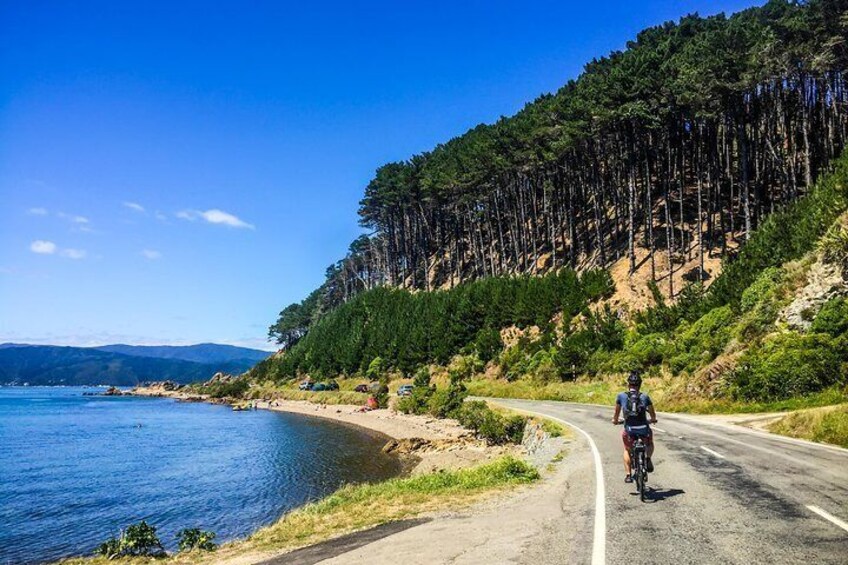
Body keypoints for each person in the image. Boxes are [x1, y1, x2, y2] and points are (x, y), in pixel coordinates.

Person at [612, 370, 657, 483]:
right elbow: (652, 412)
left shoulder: (621, 396)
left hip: (629, 430)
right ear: (640, 385)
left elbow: (616, 413)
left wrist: (615, 421)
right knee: (649, 443)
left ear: (628, 384)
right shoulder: (645, 397)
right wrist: (653, 419)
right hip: (643, 428)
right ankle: (647, 458)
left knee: (627, 449)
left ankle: (628, 475)